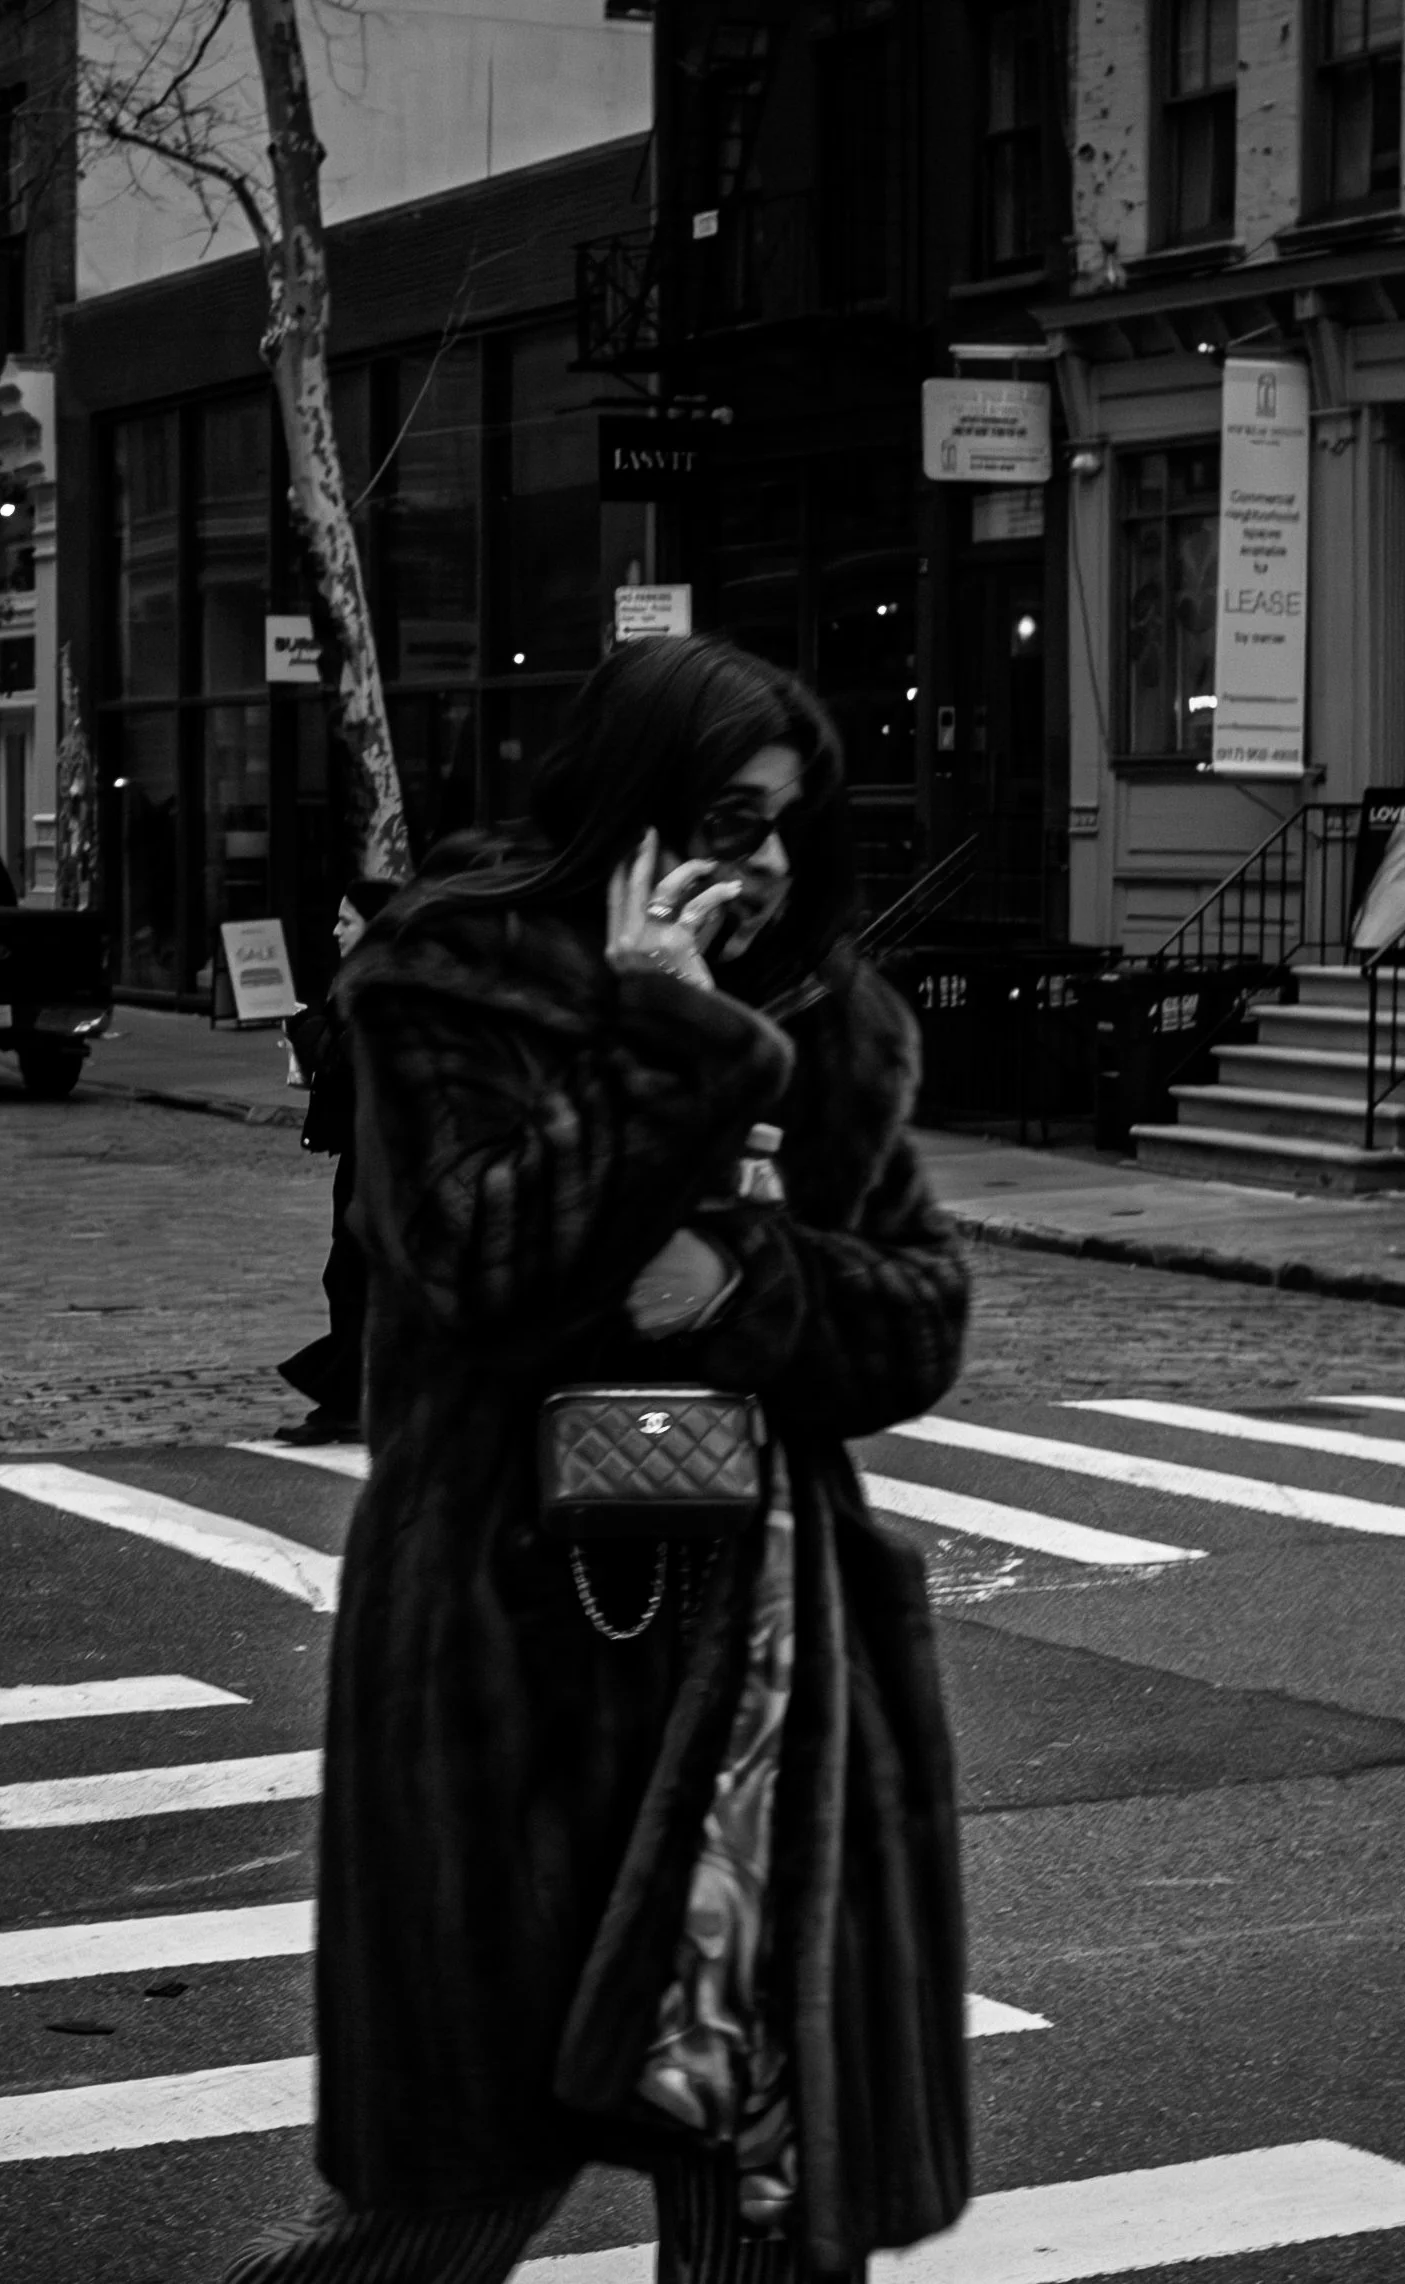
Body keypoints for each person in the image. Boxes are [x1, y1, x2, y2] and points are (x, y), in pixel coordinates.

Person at [225, 636, 972, 2283]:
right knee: (450, 2202)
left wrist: (743, 1284)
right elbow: (473, 1258)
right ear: (632, 809)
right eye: (728, 819)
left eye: (787, 825)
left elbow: (921, 1314)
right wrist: (663, 1050)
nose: (763, 864)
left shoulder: (830, 1014)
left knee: (760, 2192)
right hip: (514, 1660)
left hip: (765, 1669)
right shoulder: (456, 978)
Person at [276, 877, 400, 1445]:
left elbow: (351, 1059)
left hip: (384, 1156)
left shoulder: (382, 983)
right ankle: (355, 1398)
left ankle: (352, 1400)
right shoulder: (369, 977)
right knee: (351, 1277)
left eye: (347, 919)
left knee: (353, 1276)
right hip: (368, 1150)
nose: (335, 930)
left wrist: (305, 1030)